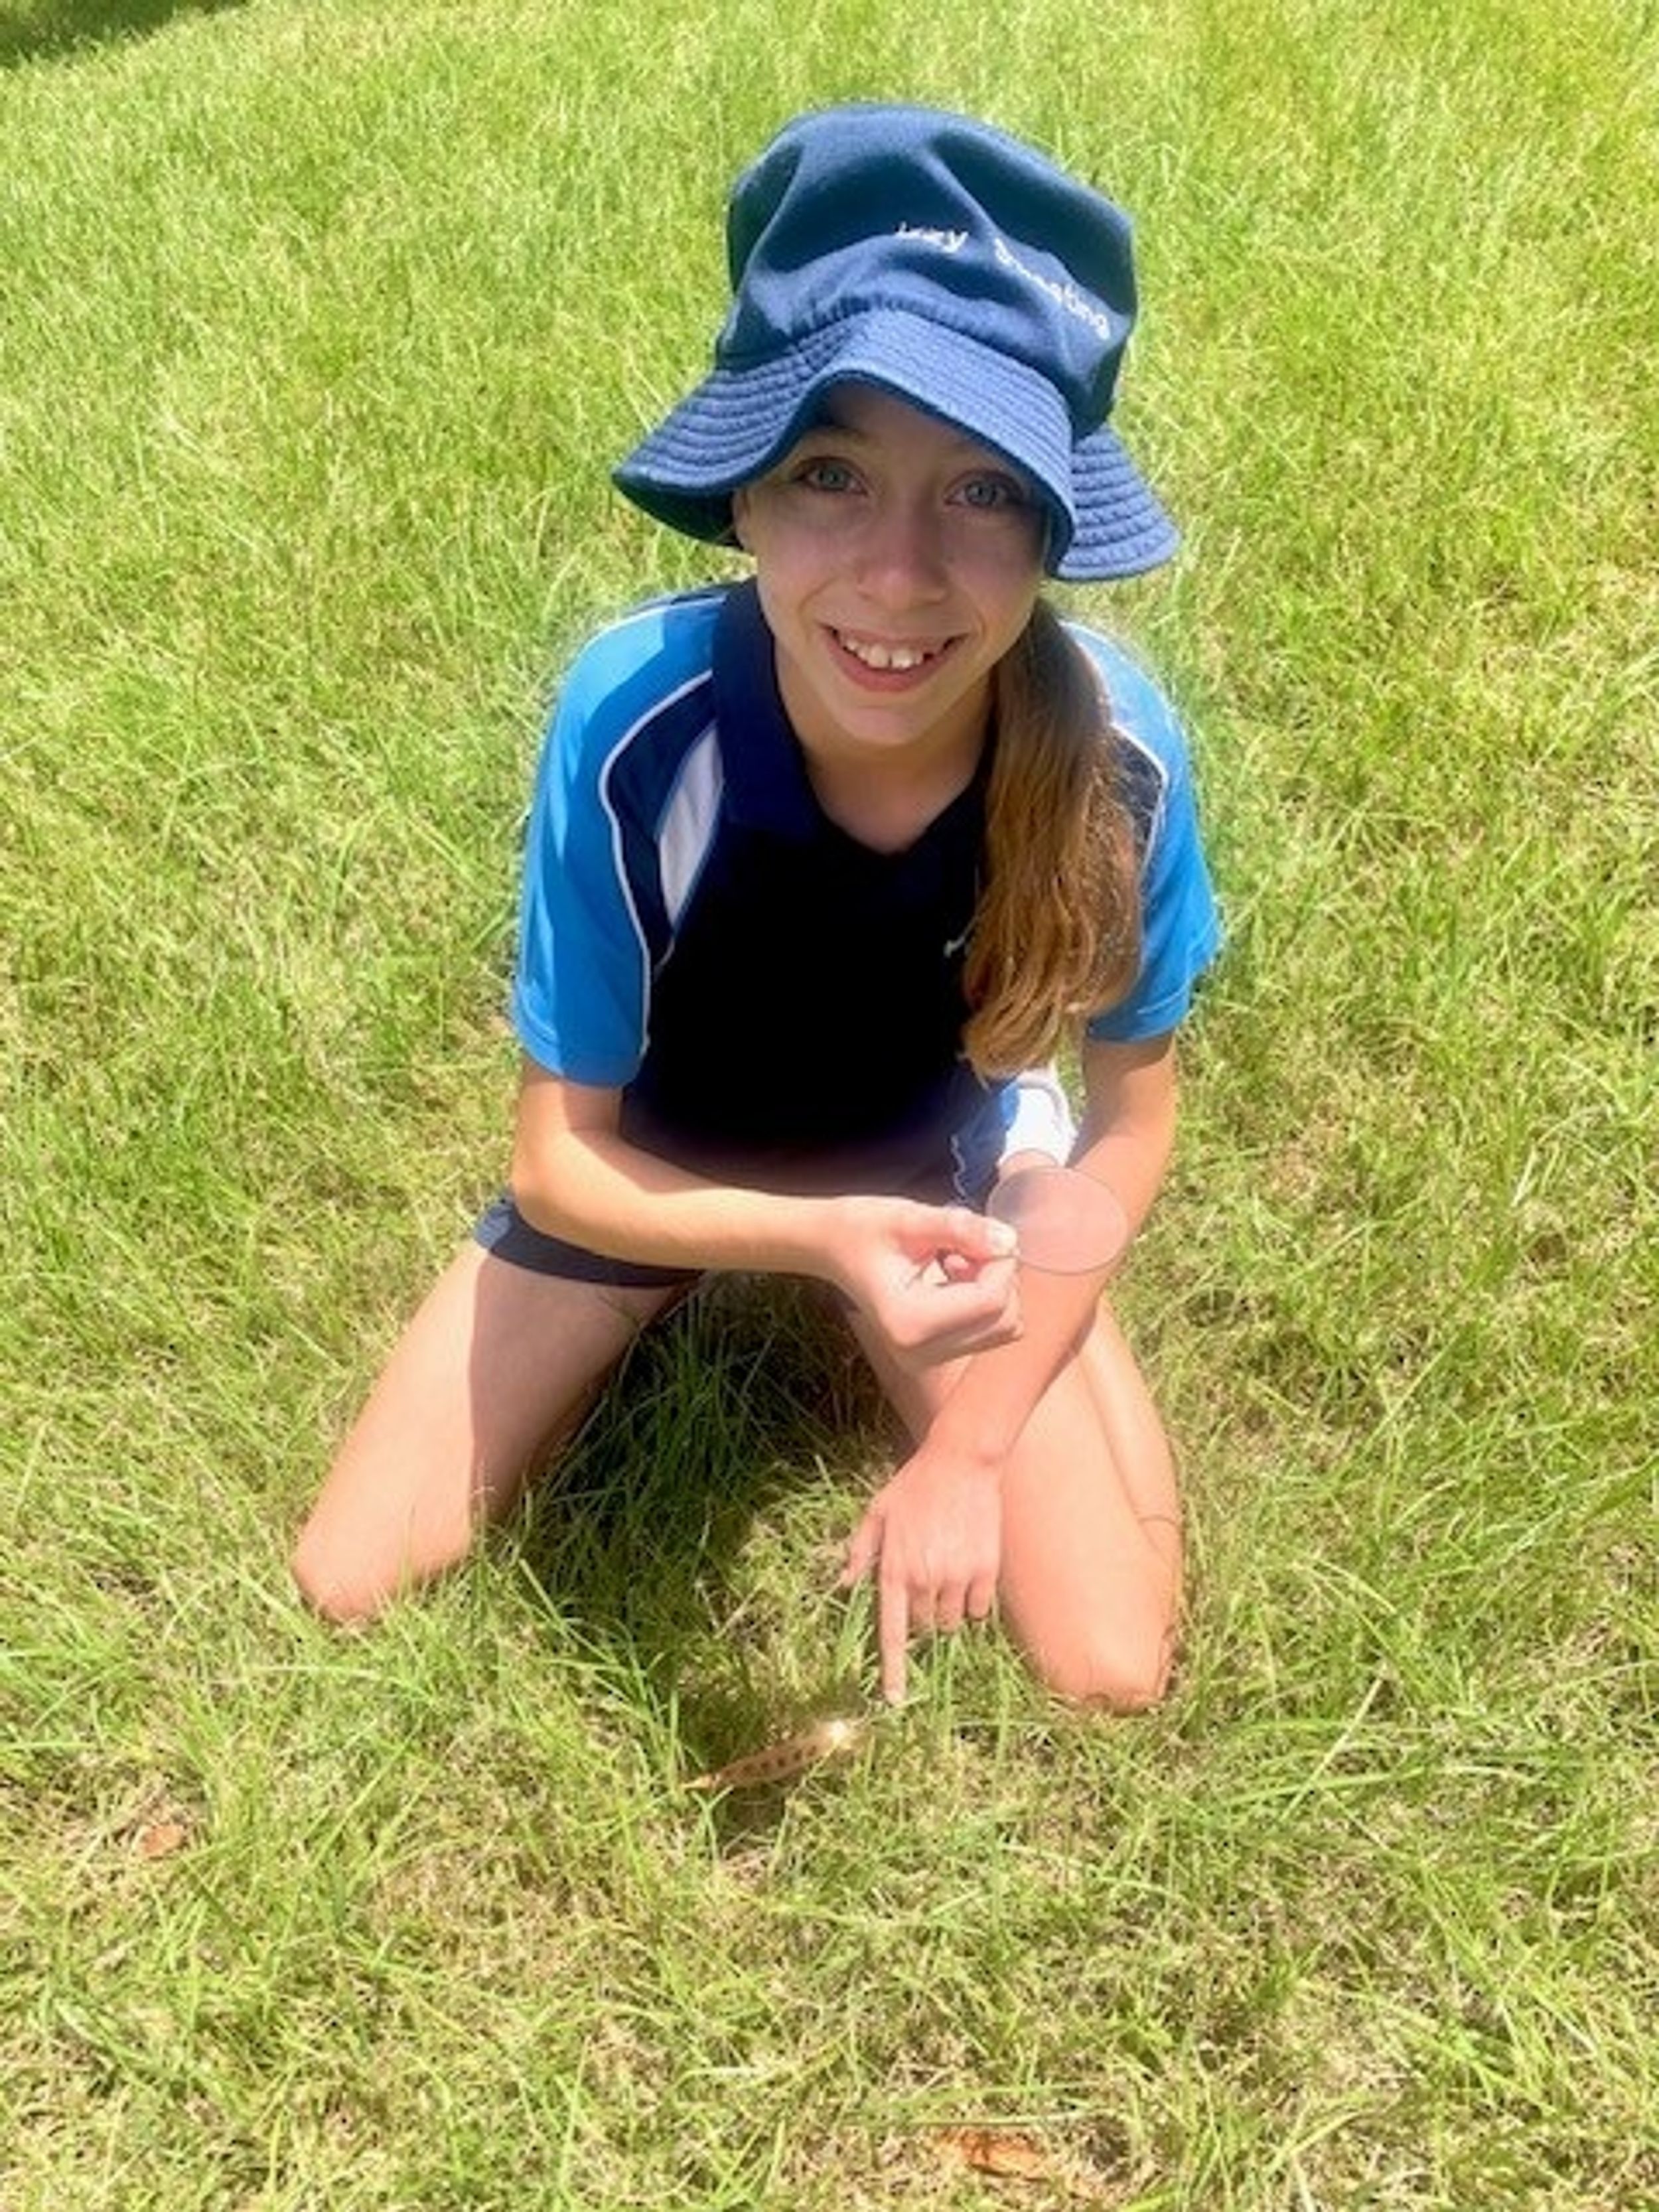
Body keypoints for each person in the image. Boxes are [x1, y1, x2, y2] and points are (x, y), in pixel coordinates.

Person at [291, 104, 1220, 1711]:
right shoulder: (636, 722)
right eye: (830, 473)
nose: (896, 575)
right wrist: (809, 1241)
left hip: (932, 1174)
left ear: (1053, 528)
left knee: (1108, 1659)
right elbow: (557, 1156)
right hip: (655, 1158)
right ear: (743, 496)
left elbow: (1133, 1124)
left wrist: (970, 1446)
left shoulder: (1115, 756)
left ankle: (1004, 1144)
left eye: (982, 489)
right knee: (348, 1570)